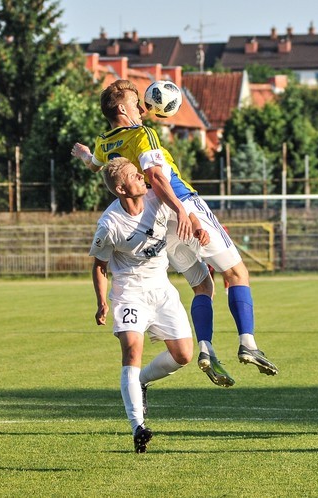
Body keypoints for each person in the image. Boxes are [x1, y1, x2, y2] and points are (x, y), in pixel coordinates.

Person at [73, 79, 279, 388]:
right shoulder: (143, 134)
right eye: (135, 103)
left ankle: (206, 347)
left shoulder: (104, 142)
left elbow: (96, 166)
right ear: (121, 108)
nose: (141, 108)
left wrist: (85, 155)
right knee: (236, 272)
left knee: (202, 285)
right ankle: (248, 342)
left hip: (155, 217)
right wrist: (185, 212)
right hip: (180, 202)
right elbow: (156, 176)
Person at [90, 157, 209, 453]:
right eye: (134, 175)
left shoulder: (156, 196)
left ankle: (142, 381)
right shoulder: (110, 224)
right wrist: (102, 302)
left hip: (162, 288)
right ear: (121, 188)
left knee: (183, 355)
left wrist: (195, 226)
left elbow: (185, 211)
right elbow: (99, 265)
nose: (142, 177)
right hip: (129, 291)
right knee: (132, 349)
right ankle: (138, 426)